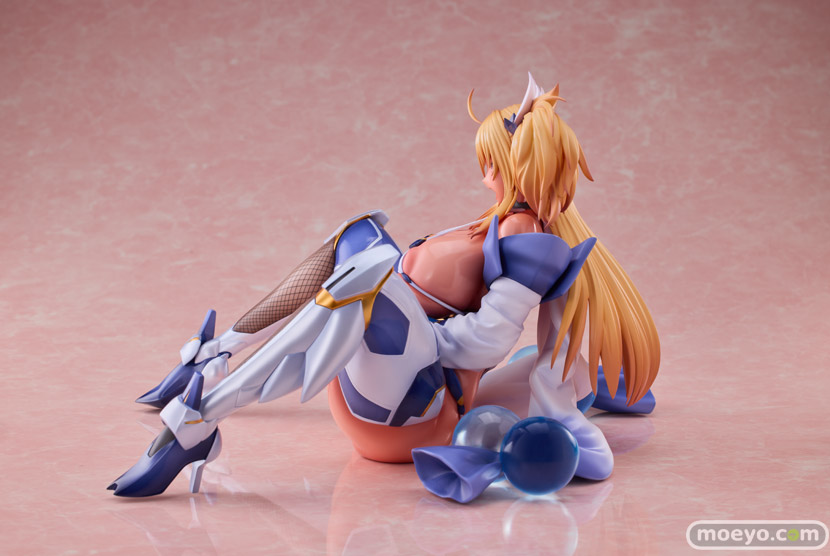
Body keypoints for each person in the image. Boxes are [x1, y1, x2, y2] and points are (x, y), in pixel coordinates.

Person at [109, 74, 659, 497]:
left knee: (371, 273)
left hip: (413, 409)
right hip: (378, 375)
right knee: (359, 234)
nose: (484, 171)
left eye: (491, 160)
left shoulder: (529, 236)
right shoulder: (500, 222)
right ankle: (218, 353)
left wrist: (409, 323)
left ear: (520, 164)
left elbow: (489, 342)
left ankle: (198, 422)